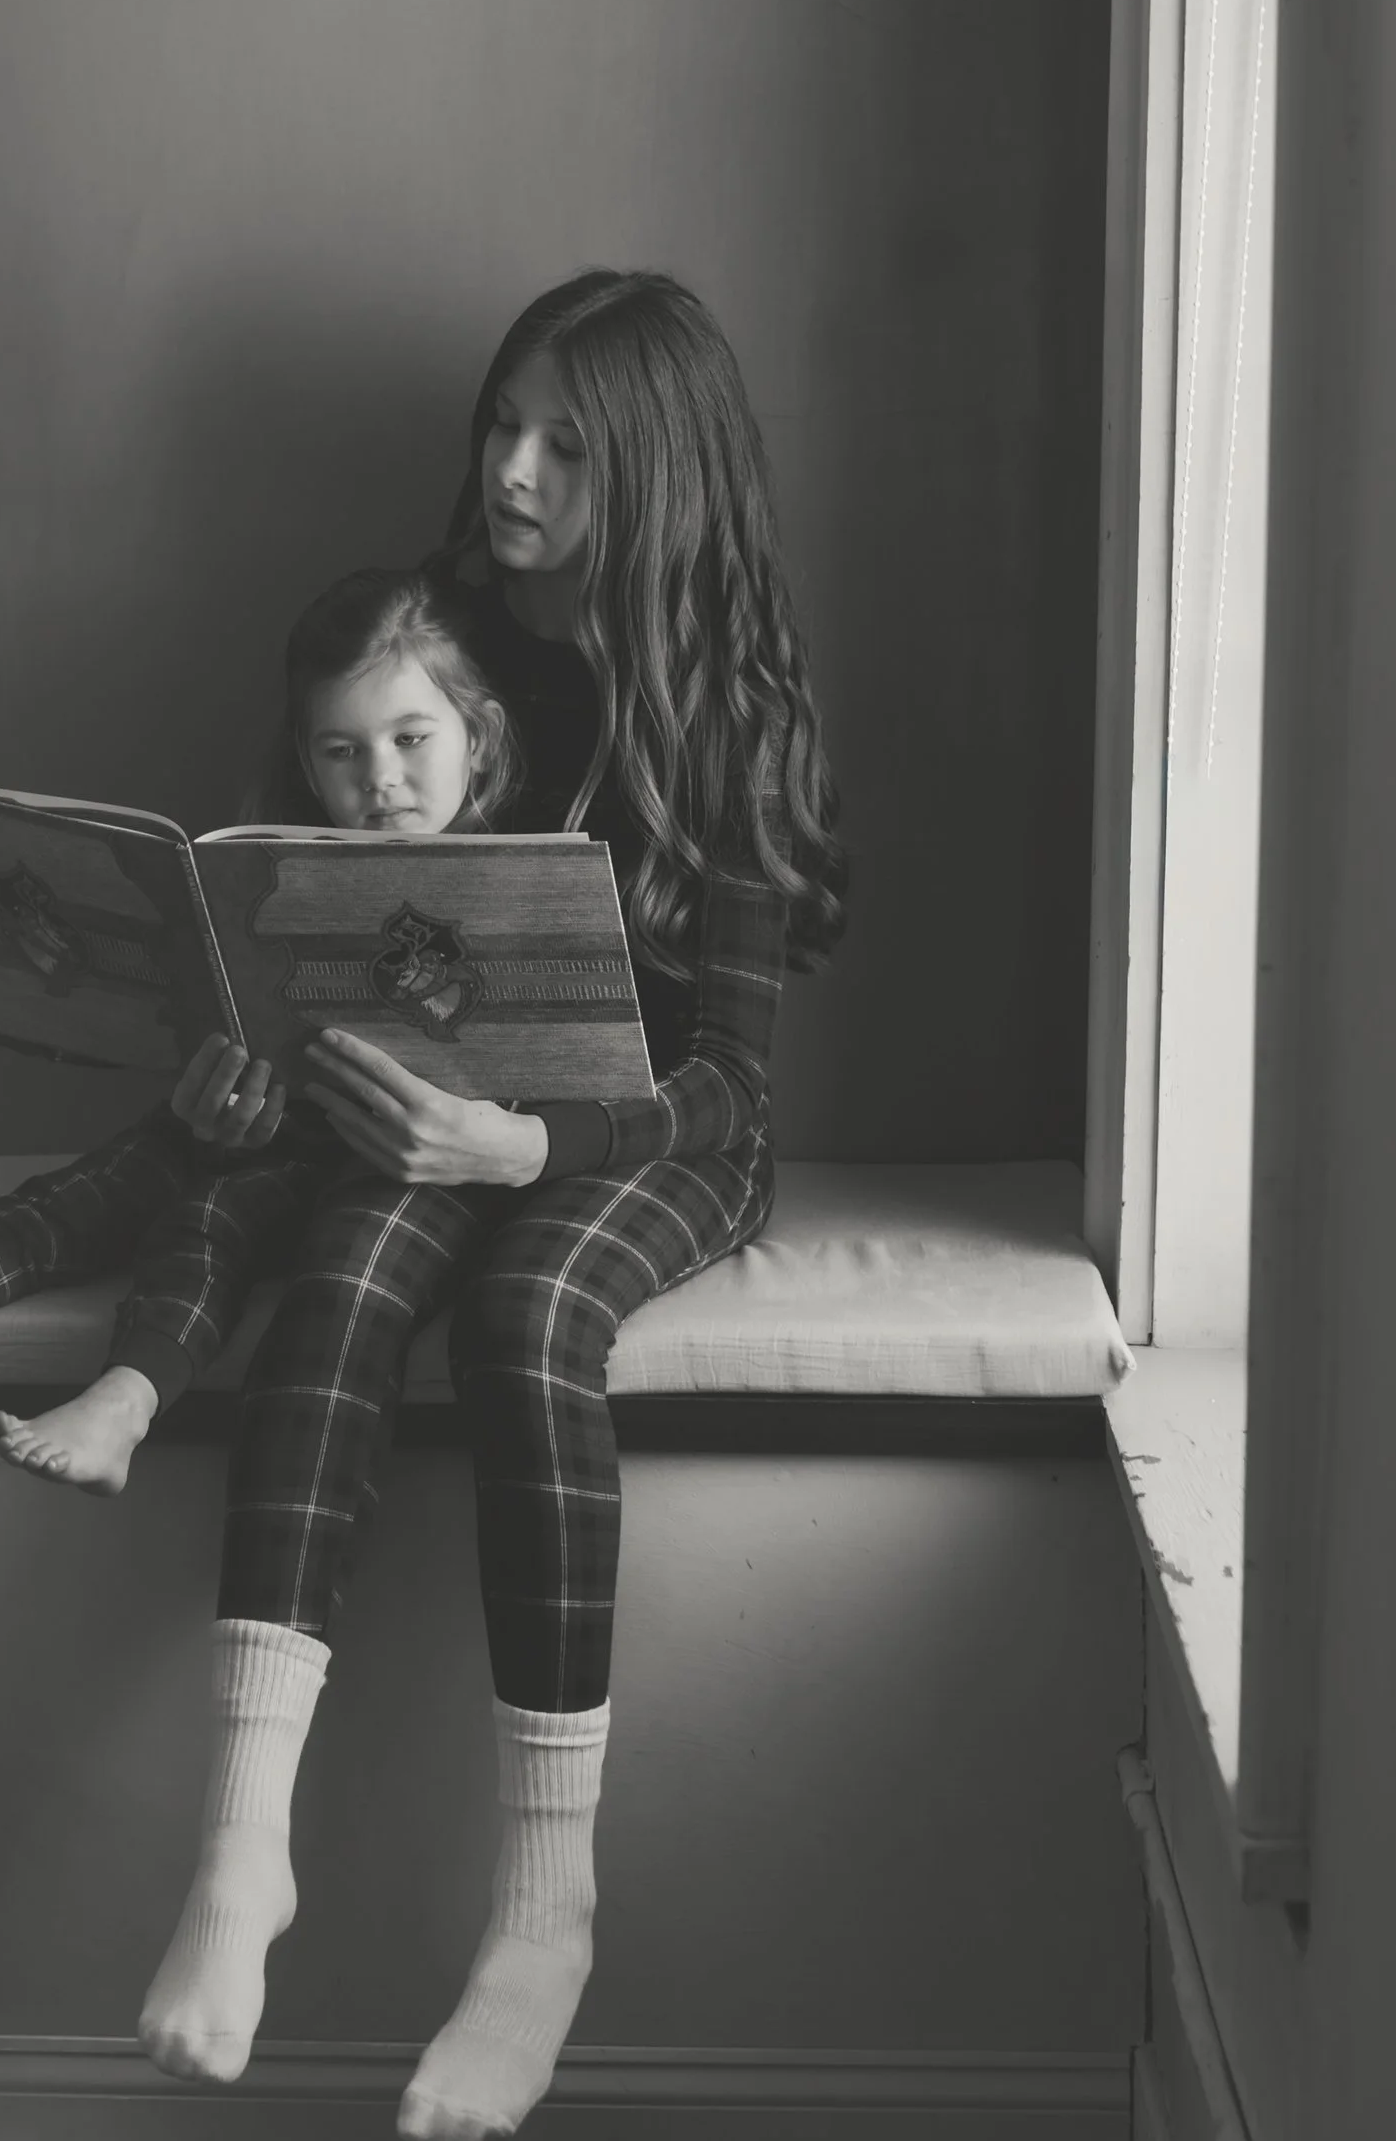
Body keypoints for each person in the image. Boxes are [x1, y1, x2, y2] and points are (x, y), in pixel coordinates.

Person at [139, 270, 846, 2141]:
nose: (511, 469)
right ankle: (240, 1854)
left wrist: (530, 1153)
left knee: (533, 1323)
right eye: (499, 424)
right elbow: (306, 922)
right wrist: (248, 1071)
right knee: (344, 1266)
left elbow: (736, 1089)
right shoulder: (431, 648)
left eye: (563, 441)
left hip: (655, 1140)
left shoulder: (737, 716)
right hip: (431, 1115)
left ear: (656, 471)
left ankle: (547, 1918)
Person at [0, 566, 520, 1493]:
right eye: (342, 751)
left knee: (211, 1214)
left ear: (478, 739)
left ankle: (122, 1403)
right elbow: (135, 1011)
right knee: (110, 1178)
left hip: (376, 1164)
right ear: (307, 759)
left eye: (411, 739)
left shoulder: (515, 882)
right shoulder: (272, 862)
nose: (379, 779)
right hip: (253, 1111)